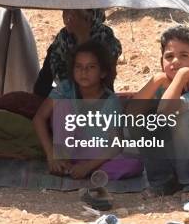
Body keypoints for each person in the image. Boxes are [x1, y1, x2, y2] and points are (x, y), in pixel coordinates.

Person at [129, 25, 189, 196]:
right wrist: (157, 80)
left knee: (181, 116)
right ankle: (162, 182)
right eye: (169, 56)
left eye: (184, 56)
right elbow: (130, 115)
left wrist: (182, 76)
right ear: (161, 62)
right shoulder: (164, 83)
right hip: (180, 157)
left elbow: (166, 113)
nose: (175, 61)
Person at [33, 41, 122, 179]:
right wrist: (51, 156)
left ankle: (82, 169)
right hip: (68, 150)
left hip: (95, 153)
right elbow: (39, 118)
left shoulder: (111, 102)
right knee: (62, 105)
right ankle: (63, 162)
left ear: (103, 72)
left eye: (91, 67)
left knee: (132, 164)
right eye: (78, 67)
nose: (83, 72)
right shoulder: (65, 89)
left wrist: (88, 166)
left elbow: (115, 144)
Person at [34, 9, 122, 97]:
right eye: (65, 11)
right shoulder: (63, 38)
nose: (67, 17)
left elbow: (98, 84)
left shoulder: (105, 37)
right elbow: (41, 86)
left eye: (74, 13)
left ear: (89, 16)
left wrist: (83, 37)